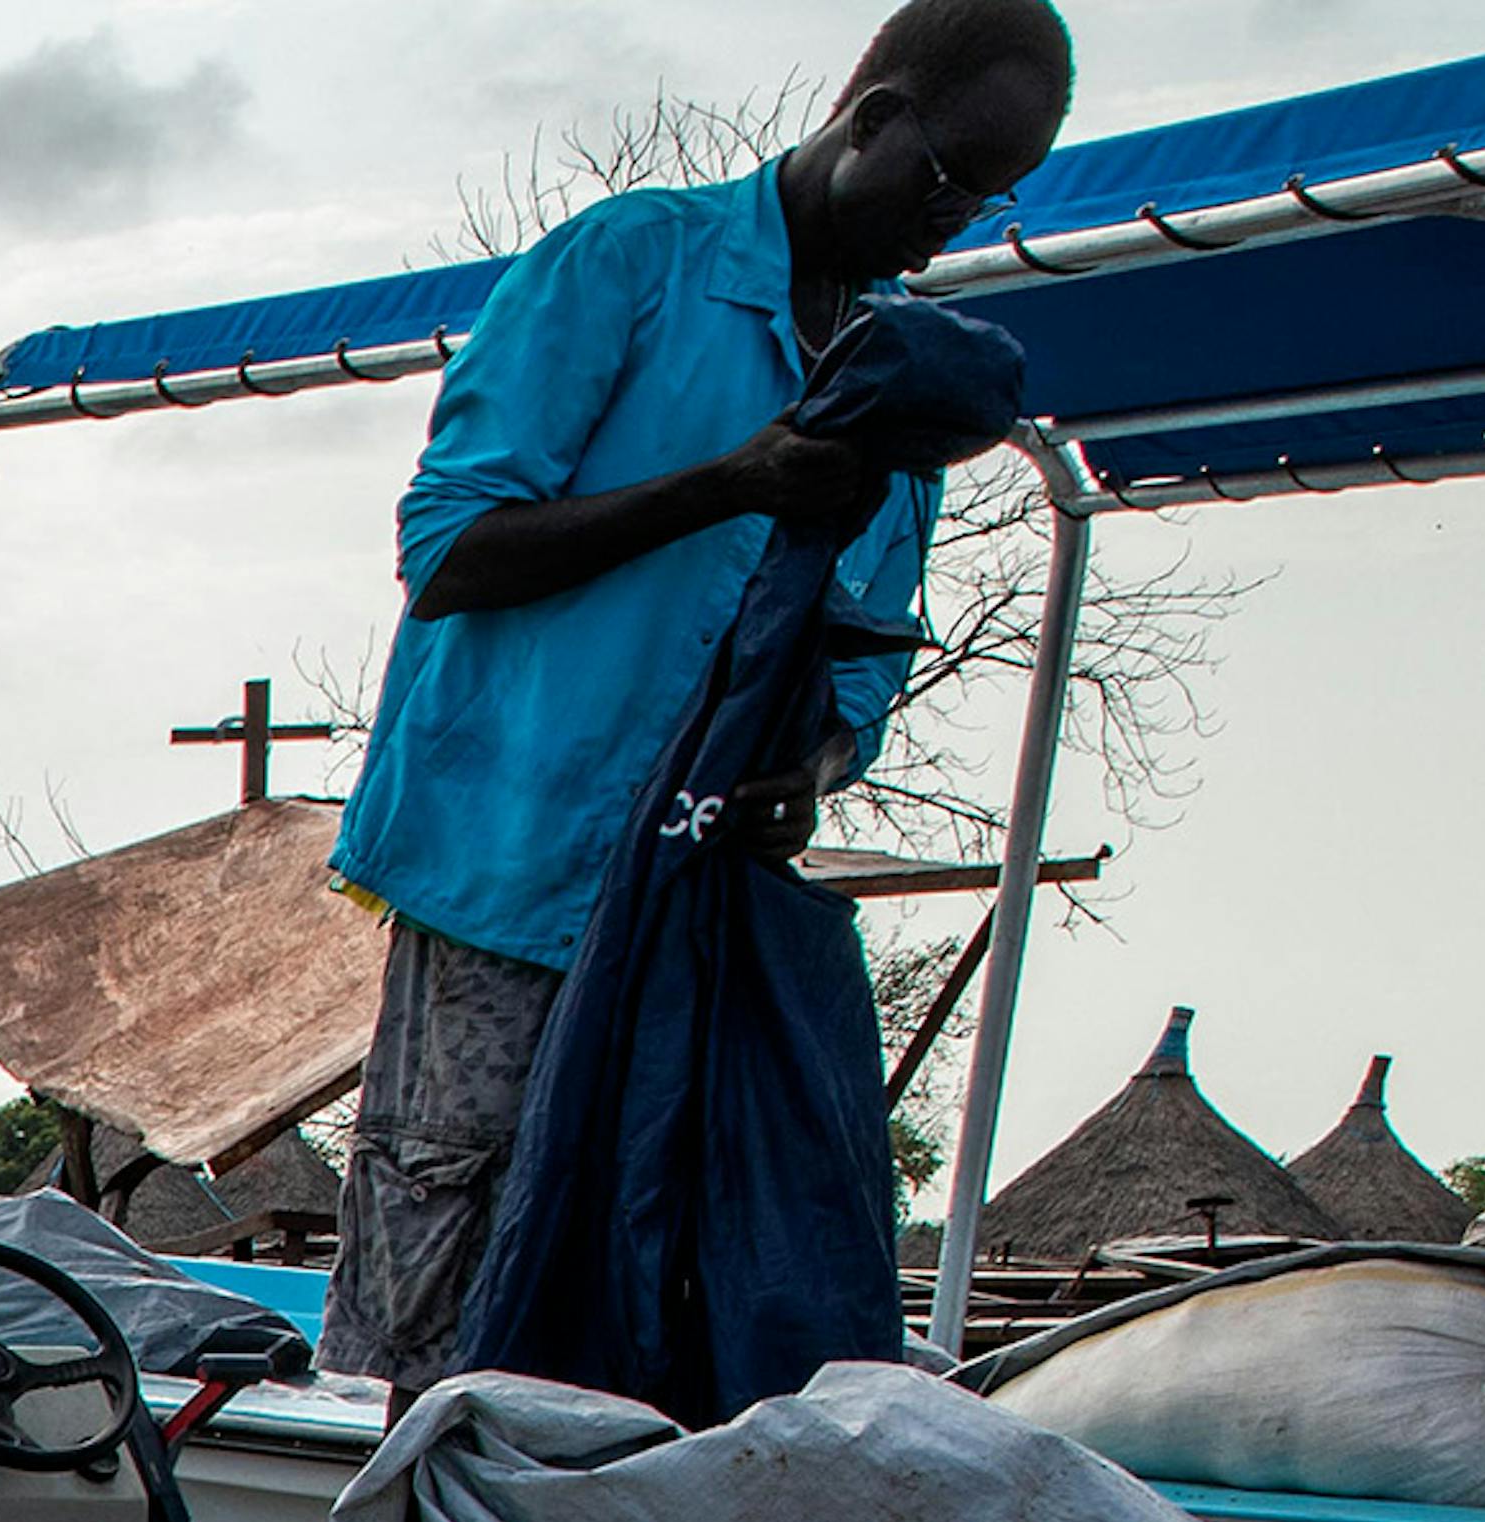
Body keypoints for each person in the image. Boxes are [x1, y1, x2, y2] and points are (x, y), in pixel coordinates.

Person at [332, 0, 1069, 1390]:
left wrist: (823, 762)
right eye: (944, 178)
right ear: (872, 118)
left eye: (993, 197)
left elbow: (864, 656)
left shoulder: (892, 373)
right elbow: (450, 553)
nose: (955, 219)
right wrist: (728, 481)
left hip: (697, 904)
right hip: (515, 869)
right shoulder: (633, 262)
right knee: (440, 1262)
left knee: (652, 1270)